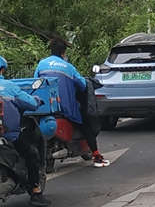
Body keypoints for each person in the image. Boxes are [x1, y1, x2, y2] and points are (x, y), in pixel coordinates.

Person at [0, 54, 51, 207]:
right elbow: (30, 104)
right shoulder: (9, 86)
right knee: (32, 154)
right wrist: (38, 101)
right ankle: (36, 192)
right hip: (7, 135)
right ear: (2, 70)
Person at [35, 38, 110, 167]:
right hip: (64, 107)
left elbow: (36, 81)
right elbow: (82, 85)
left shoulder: (41, 64)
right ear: (63, 53)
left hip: (45, 106)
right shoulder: (68, 67)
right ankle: (96, 155)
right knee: (85, 122)